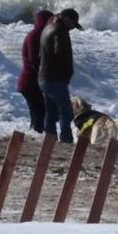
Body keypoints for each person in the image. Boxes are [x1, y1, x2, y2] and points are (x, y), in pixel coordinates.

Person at [38, 8, 83, 143]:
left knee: (51, 113)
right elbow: (60, 53)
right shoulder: (60, 31)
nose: (73, 28)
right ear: (67, 19)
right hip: (55, 78)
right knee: (66, 113)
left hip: (44, 77)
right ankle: (66, 142)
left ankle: (49, 140)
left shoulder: (48, 27)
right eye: (73, 24)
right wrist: (66, 72)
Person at [16, 9, 54, 133]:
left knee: (38, 111)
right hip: (29, 81)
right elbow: (34, 60)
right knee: (39, 111)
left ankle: (34, 134)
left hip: (33, 81)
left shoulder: (42, 34)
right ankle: (36, 135)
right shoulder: (35, 35)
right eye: (50, 20)